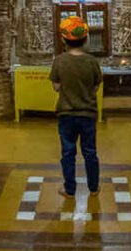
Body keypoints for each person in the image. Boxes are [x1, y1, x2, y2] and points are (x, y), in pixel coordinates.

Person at [49, 15, 102, 198]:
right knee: (90, 152)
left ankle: (69, 189)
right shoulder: (91, 61)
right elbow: (96, 86)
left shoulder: (59, 61)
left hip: (66, 114)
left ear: (64, 40)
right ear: (85, 39)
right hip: (88, 114)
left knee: (68, 153)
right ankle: (94, 188)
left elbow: (56, 86)